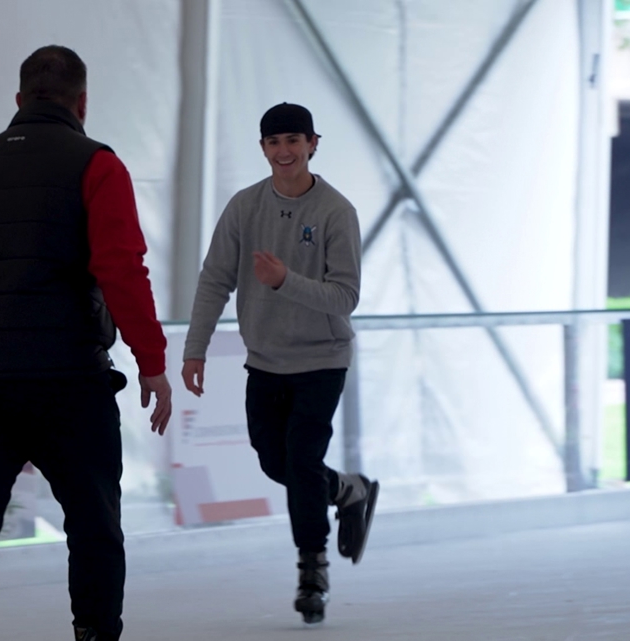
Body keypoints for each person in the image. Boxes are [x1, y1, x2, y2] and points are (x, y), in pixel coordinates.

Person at [0, 45, 172, 641]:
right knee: (94, 525)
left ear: (18, 100)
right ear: (82, 103)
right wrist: (152, 363)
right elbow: (121, 268)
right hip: (68, 381)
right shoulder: (97, 165)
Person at [181, 102, 378, 624]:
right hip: (265, 361)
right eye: (274, 142)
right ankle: (348, 489)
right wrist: (195, 348)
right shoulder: (245, 207)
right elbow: (214, 280)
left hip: (322, 359)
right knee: (277, 461)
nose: (284, 151)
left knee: (300, 457)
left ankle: (312, 572)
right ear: (264, 149)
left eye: (294, 140)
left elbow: (345, 296)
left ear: (314, 144)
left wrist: (284, 280)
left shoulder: (337, 212)